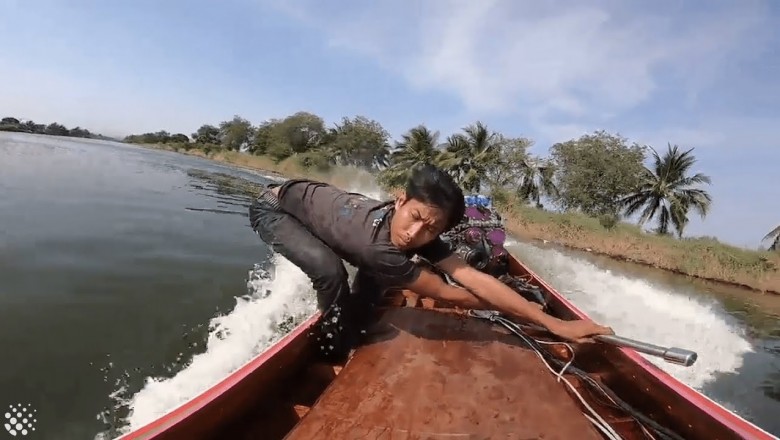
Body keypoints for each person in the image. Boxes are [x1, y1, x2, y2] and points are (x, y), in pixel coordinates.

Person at [249, 164, 613, 361]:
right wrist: (528, 314)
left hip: (318, 201)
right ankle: (328, 351)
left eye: (432, 228)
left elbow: (467, 274)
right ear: (400, 200)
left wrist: (545, 320)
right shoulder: (380, 249)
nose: (416, 233)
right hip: (275, 207)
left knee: (377, 280)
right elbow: (448, 292)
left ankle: (355, 325)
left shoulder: (413, 232)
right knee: (331, 273)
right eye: (416, 216)